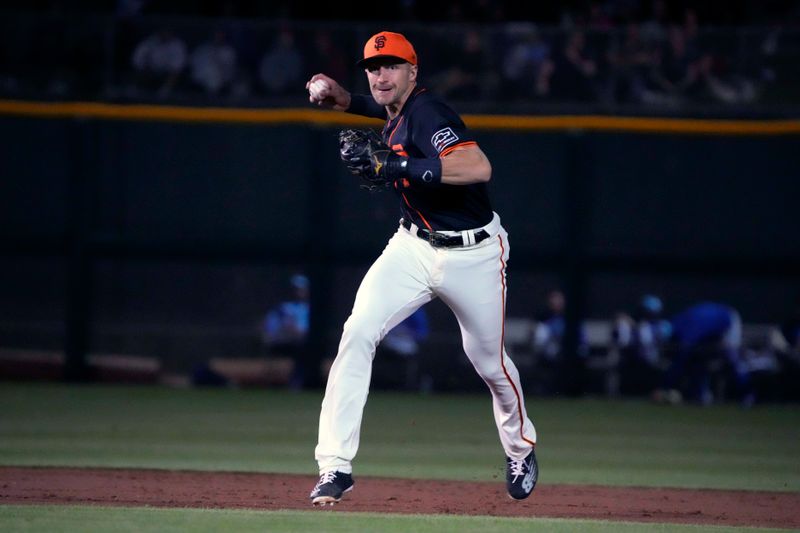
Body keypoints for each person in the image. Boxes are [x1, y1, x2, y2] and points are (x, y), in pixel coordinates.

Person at [304, 31, 538, 505]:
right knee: (358, 332)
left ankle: (520, 448)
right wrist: (342, 99)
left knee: (489, 364)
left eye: (392, 65)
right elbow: (385, 113)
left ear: (414, 71)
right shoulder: (396, 108)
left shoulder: (430, 112)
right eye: (373, 67)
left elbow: (477, 167)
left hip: (474, 254)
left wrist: (397, 168)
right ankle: (335, 467)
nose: (381, 75)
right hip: (411, 247)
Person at [658, 301, 754, 406]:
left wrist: (665, 386)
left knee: (733, 359)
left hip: (727, 320)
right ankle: (701, 395)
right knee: (699, 359)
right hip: (710, 327)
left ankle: (747, 394)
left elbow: (680, 359)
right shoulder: (676, 322)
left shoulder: (686, 332)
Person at [262, 273, 310, 389]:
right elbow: (273, 329)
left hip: (303, 343)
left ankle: (300, 382)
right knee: (301, 350)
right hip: (284, 342)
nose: (301, 292)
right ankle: (295, 382)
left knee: (306, 349)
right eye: (298, 289)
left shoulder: (309, 307)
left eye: (303, 289)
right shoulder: (283, 308)